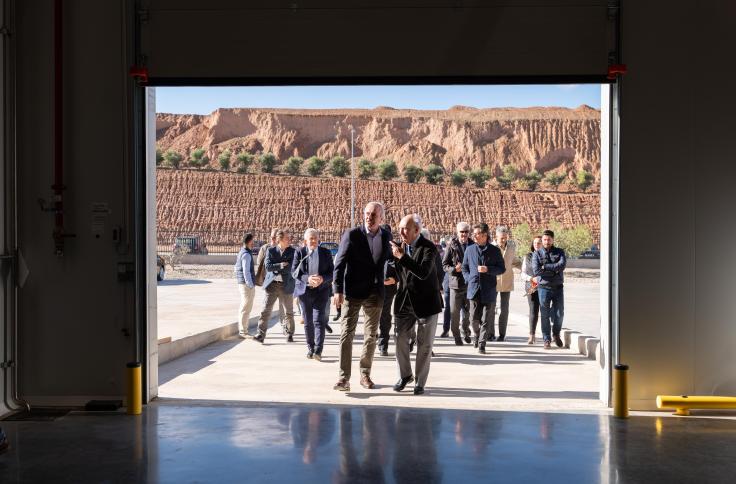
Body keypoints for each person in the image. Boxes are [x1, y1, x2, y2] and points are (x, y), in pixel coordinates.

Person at [332, 202, 392, 392]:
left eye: (374, 214)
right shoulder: (352, 235)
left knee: (371, 336)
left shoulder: (386, 236)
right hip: (353, 292)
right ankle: (343, 378)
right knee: (346, 334)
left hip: (376, 292)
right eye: (367, 213)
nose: (369, 217)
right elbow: (339, 263)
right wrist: (337, 290)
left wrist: (393, 277)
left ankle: (365, 374)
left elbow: (389, 260)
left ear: (381, 217)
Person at [391, 214, 443, 395]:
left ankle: (420, 382)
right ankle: (405, 375)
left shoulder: (429, 248)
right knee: (399, 338)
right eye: (400, 228)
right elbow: (396, 270)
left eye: (406, 228)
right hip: (405, 301)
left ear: (417, 230)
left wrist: (402, 257)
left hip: (426, 302)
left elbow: (422, 272)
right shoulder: (398, 247)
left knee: (425, 344)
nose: (402, 232)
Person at [462, 223, 506, 354]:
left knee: (486, 319)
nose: (474, 236)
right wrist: (468, 278)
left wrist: (488, 270)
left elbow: (501, 268)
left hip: (489, 290)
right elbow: (465, 267)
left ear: (484, 235)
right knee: (473, 319)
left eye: (477, 234)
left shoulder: (494, 251)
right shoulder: (469, 250)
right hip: (473, 289)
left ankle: (482, 343)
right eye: (474, 234)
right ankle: (476, 335)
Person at [293, 228, 334, 360]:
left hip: (321, 291)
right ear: (305, 241)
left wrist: (322, 279)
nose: (313, 241)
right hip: (305, 291)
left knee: (319, 320)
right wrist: (308, 279)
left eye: (315, 238)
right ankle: (310, 348)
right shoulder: (300, 253)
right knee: (308, 321)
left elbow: (332, 273)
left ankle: (318, 350)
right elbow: (294, 272)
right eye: (311, 238)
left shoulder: (325, 253)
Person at [254, 229, 297, 343]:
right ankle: (260, 334)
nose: (290, 240)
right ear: (280, 239)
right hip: (272, 285)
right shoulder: (271, 250)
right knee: (265, 311)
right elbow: (268, 267)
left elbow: (291, 268)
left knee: (288, 312)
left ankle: (289, 333)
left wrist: (276, 267)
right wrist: (282, 265)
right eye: (287, 238)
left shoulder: (293, 252)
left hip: (286, 285)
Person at [532, 229, 567, 349]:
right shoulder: (537, 254)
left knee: (559, 313)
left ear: (553, 240)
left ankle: (556, 334)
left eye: (549, 239)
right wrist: (554, 271)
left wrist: (545, 267)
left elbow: (561, 265)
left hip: (558, 288)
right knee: (545, 315)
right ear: (542, 240)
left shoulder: (560, 252)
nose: (547, 241)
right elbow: (537, 271)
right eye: (545, 239)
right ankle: (546, 339)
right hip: (543, 288)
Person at [442, 222, 473, 346]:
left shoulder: (473, 245)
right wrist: (455, 269)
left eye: (466, 232)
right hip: (455, 284)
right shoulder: (451, 246)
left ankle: (465, 330)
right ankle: (456, 335)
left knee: (469, 312)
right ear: (457, 232)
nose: (464, 234)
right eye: (462, 232)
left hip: (469, 284)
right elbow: (444, 265)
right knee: (454, 313)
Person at [491, 225, 516, 342]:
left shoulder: (512, 246)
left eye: (505, 237)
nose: (504, 240)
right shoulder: (491, 247)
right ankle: (490, 333)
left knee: (504, 309)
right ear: (496, 237)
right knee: (490, 308)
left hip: (507, 281)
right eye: (502, 238)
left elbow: (514, 261)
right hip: (492, 281)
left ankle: (502, 334)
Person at [256, 228, 285, 328]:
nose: (272, 239)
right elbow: (260, 263)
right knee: (266, 308)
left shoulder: (283, 248)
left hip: (283, 282)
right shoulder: (265, 248)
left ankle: (285, 328)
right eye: (271, 237)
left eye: (274, 237)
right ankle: (261, 330)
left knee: (283, 308)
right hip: (269, 282)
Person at [378, 223, 397, 357]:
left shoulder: (394, 250)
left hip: (388, 288)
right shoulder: (372, 247)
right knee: (373, 316)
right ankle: (373, 339)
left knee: (384, 316)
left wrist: (395, 279)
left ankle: (383, 344)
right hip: (373, 288)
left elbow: (402, 267)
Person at [521, 235, 543, 344]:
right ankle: (532, 335)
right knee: (533, 310)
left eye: (539, 243)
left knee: (545, 310)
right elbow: (523, 273)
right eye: (535, 243)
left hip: (545, 286)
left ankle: (546, 335)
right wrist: (531, 278)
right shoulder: (527, 256)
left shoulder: (547, 256)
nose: (537, 245)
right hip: (531, 286)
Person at [235, 233, 256, 338]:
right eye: (253, 241)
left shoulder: (242, 252)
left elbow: (236, 268)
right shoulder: (246, 254)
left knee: (246, 307)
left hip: (243, 283)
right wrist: (250, 284)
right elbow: (246, 271)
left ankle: (244, 330)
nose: (254, 243)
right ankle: (243, 331)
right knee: (246, 307)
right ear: (249, 241)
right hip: (246, 285)